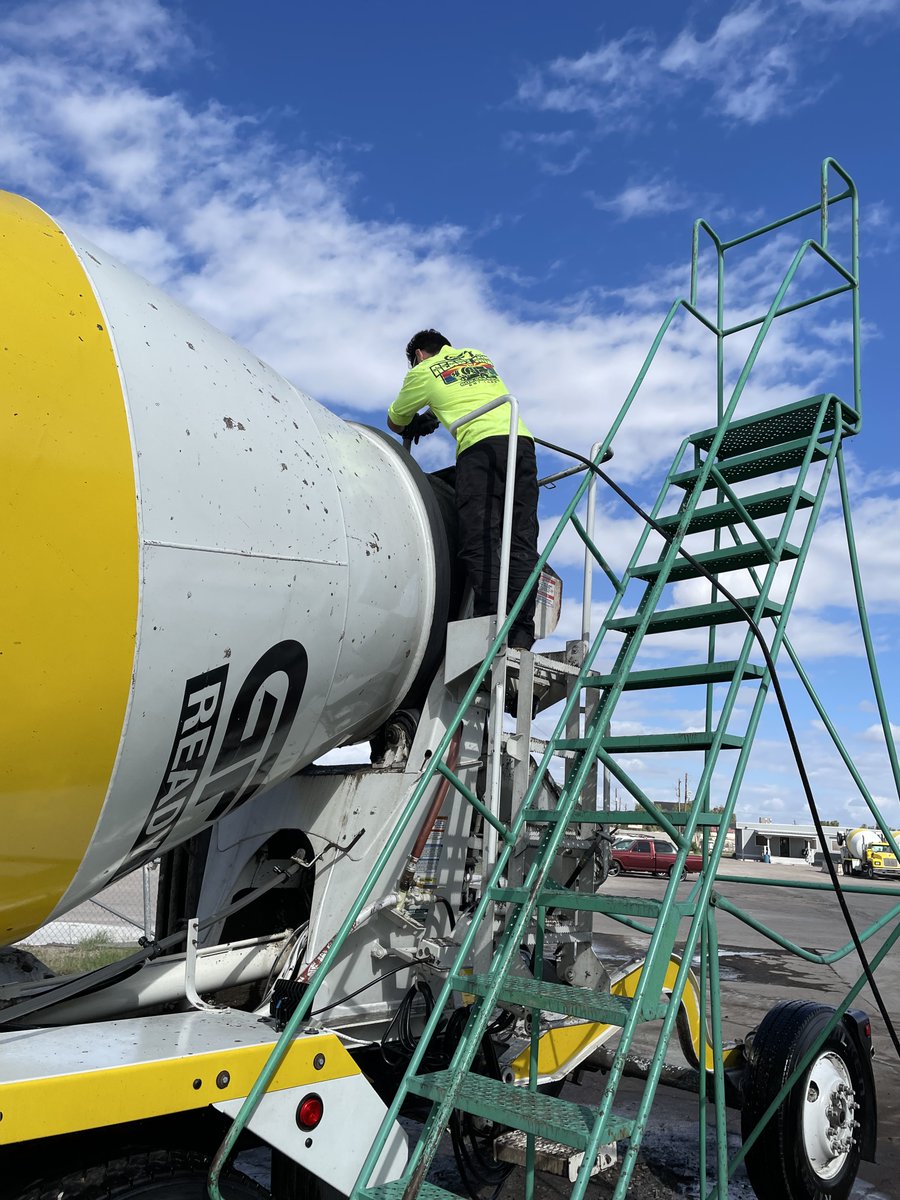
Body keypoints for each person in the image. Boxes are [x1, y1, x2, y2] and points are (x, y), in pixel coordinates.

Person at [387, 329, 539, 650]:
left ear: (419, 355)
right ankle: (522, 633)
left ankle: (490, 628)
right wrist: (433, 413)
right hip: (521, 443)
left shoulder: (423, 371)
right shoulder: (479, 357)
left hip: (479, 448)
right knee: (521, 539)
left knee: (480, 538)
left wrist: (416, 422)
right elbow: (466, 391)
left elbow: (396, 420)